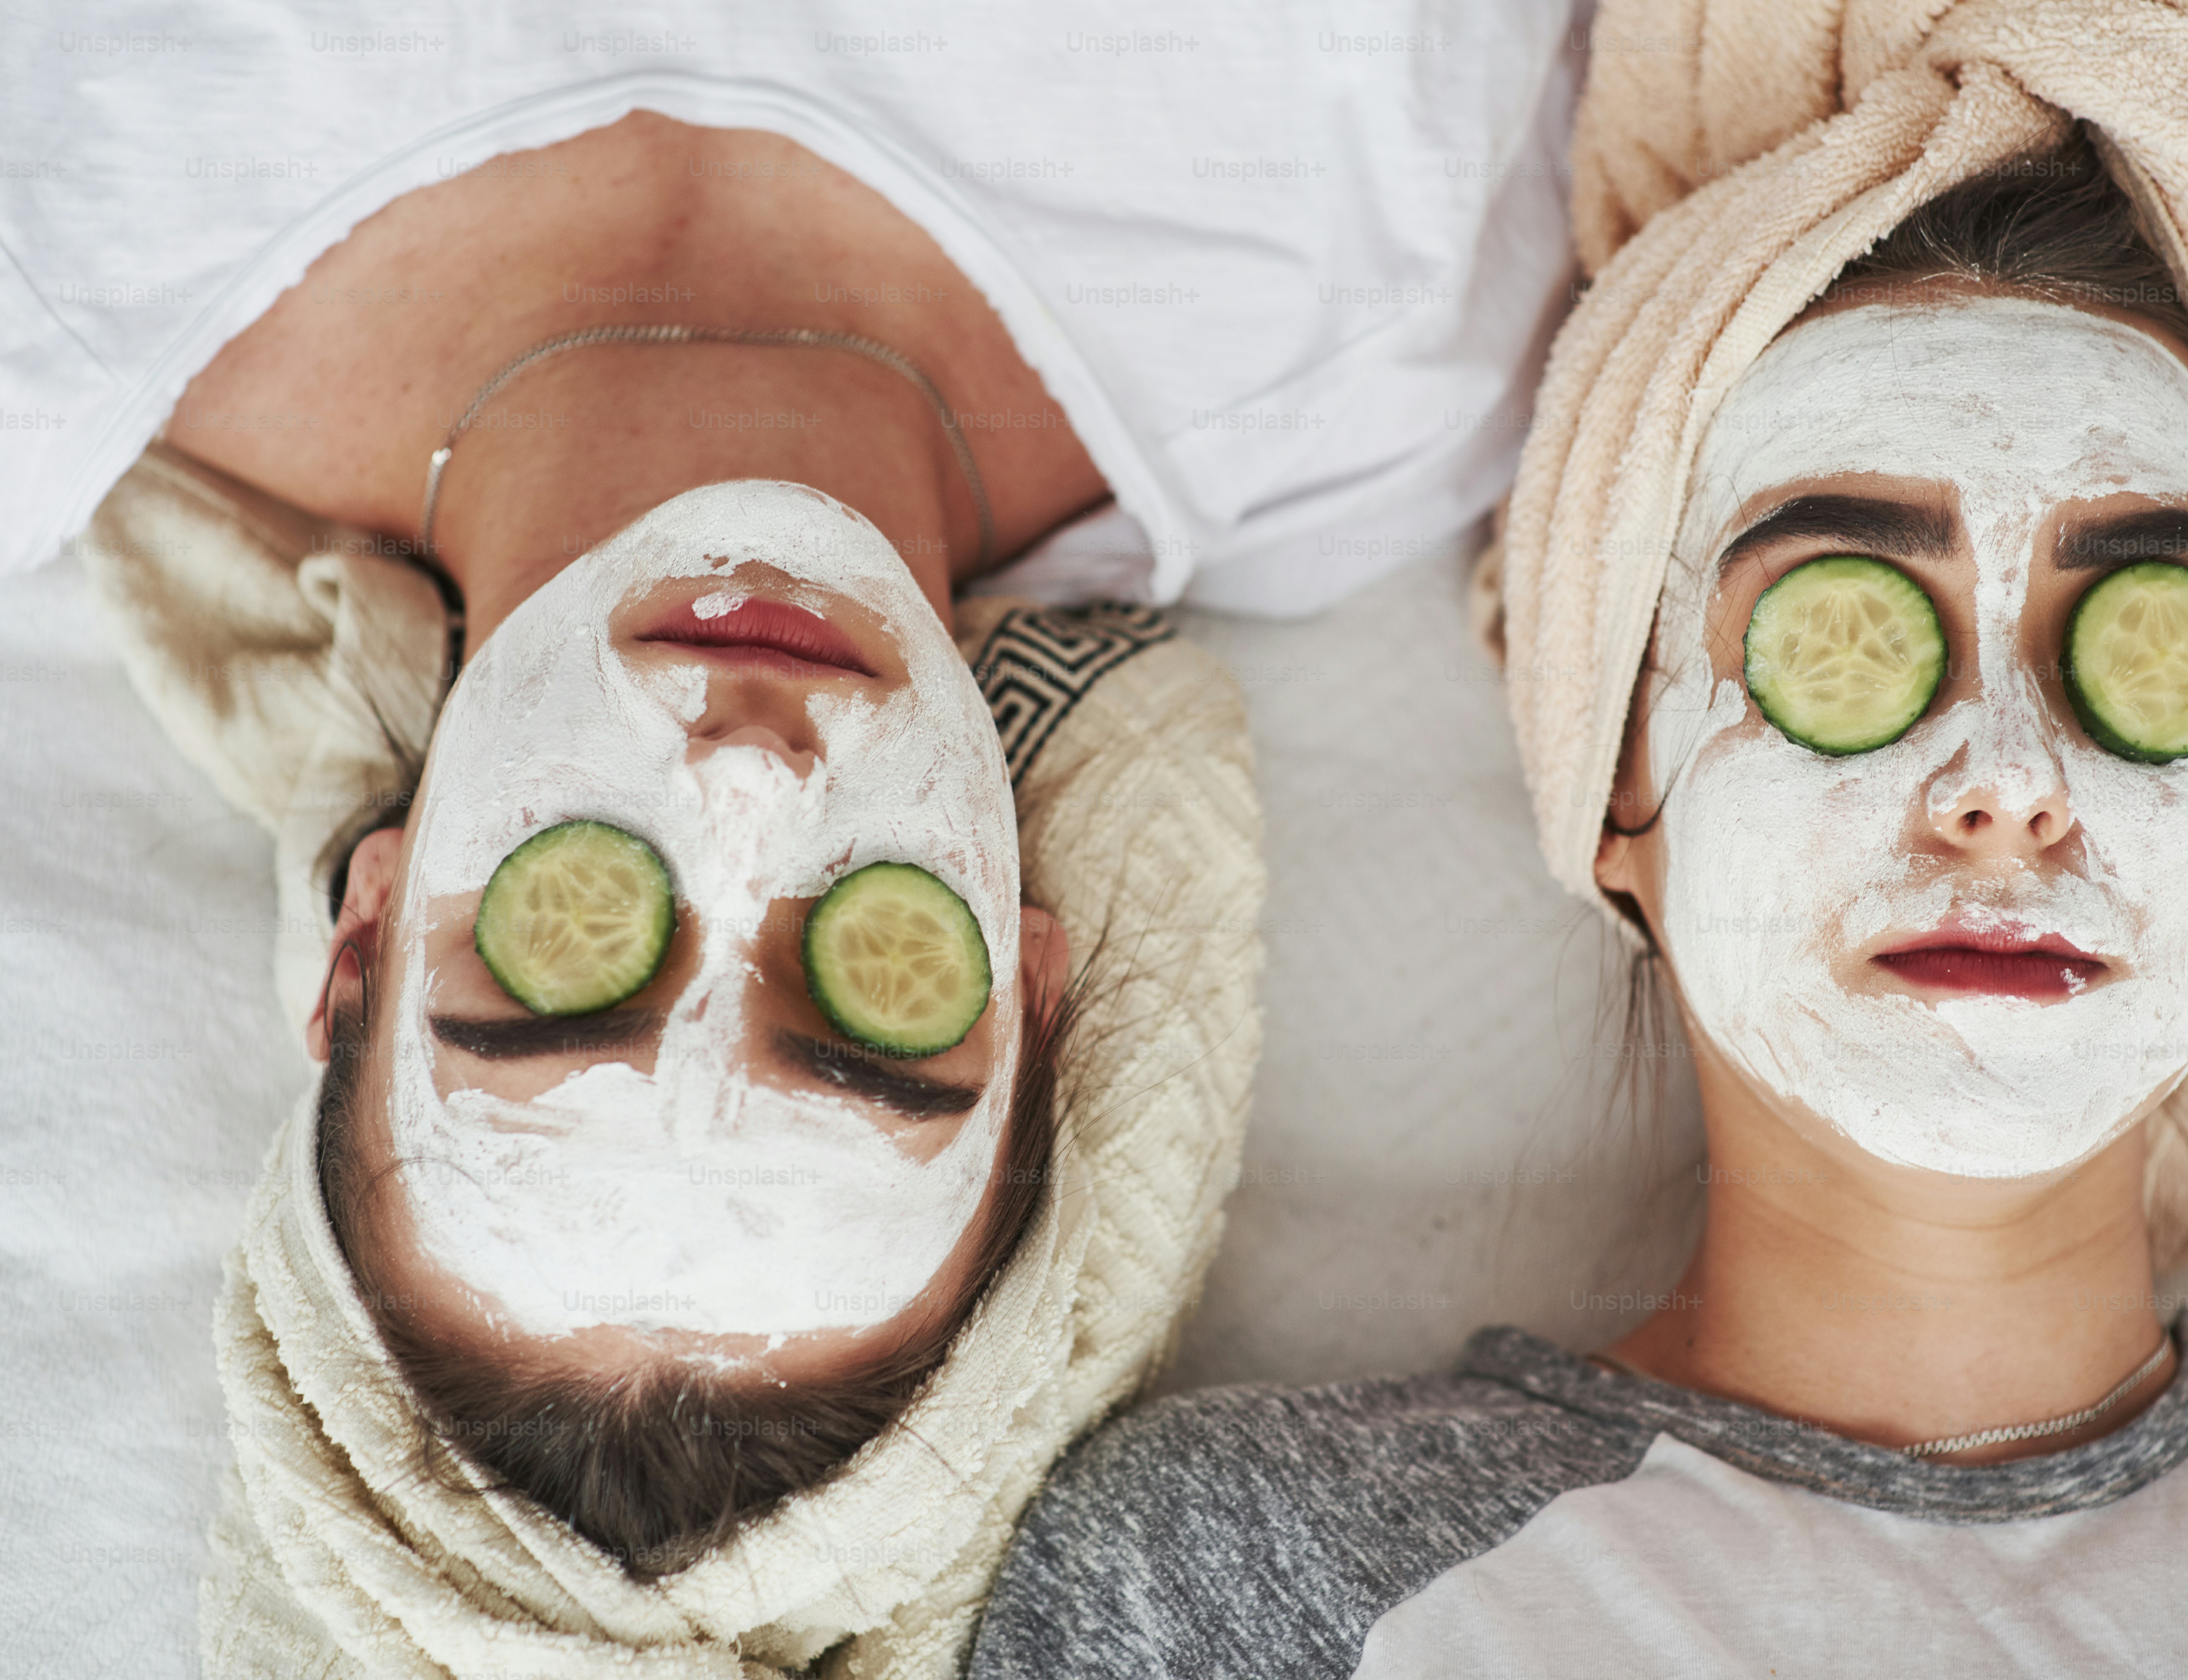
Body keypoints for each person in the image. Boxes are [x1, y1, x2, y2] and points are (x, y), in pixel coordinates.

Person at [962, 6, 2188, 1676]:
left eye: (2143, 650)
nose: (2004, 779)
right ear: (1620, 787)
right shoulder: (1232, 1575)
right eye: (1845, 638)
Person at [49, 13, 1599, 1654]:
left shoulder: (46, 273)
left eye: (574, 946)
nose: (748, 783)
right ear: (1032, 979)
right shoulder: (1378, 357)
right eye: (875, 985)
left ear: (363, 925)